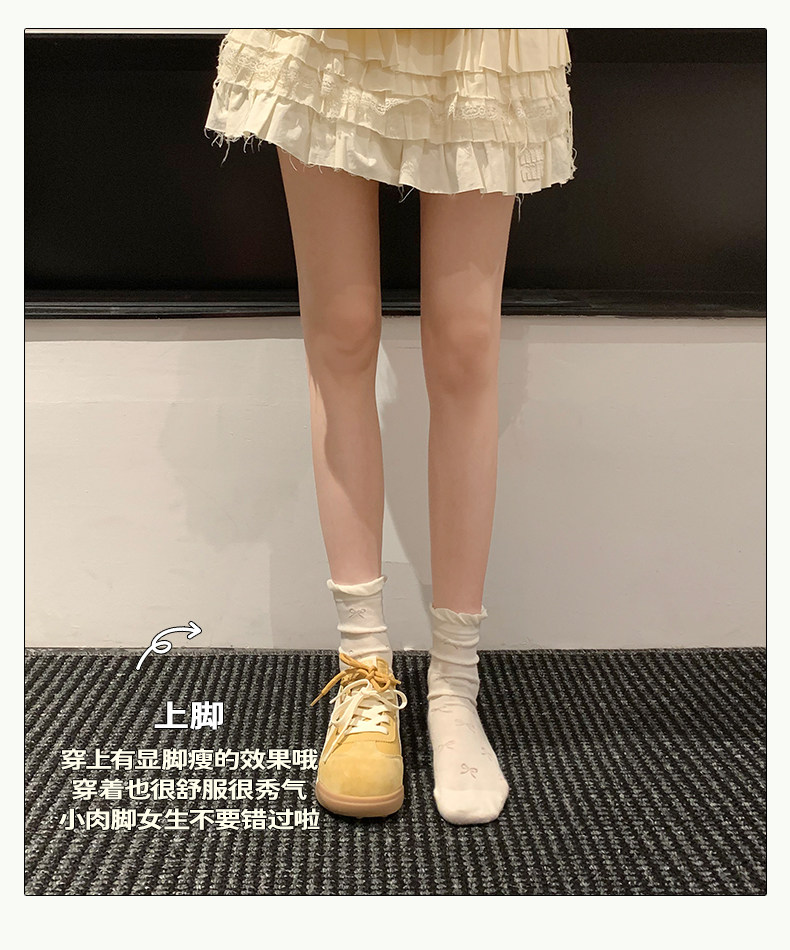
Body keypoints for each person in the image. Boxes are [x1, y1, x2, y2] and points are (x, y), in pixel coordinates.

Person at [205, 28, 576, 825]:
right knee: (340, 331)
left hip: (480, 36)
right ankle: (364, 669)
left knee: (466, 344)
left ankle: (454, 685)